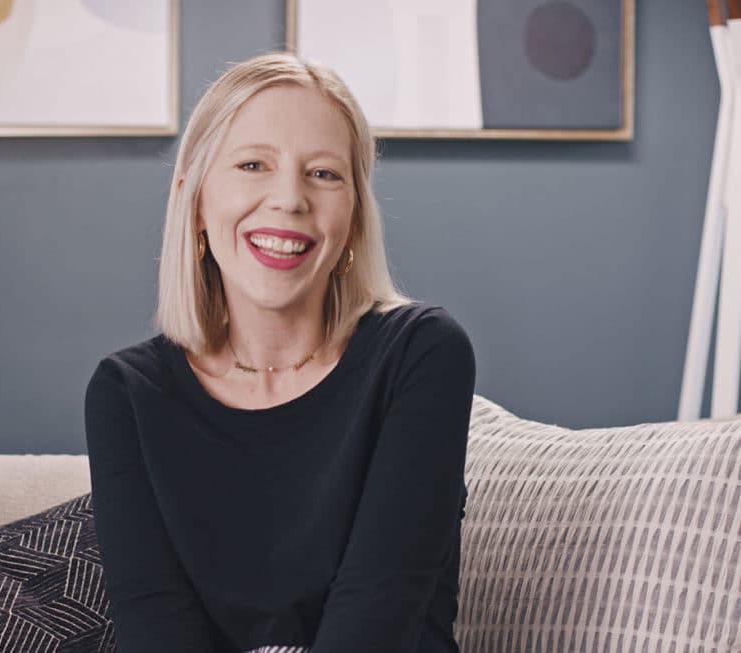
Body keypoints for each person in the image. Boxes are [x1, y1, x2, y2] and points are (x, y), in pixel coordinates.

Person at [84, 51, 476, 653]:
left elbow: (376, 618)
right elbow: (157, 629)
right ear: (194, 200)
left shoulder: (421, 354)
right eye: (252, 165)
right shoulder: (127, 394)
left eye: (323, 173)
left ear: (354, 215)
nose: (290, 199)